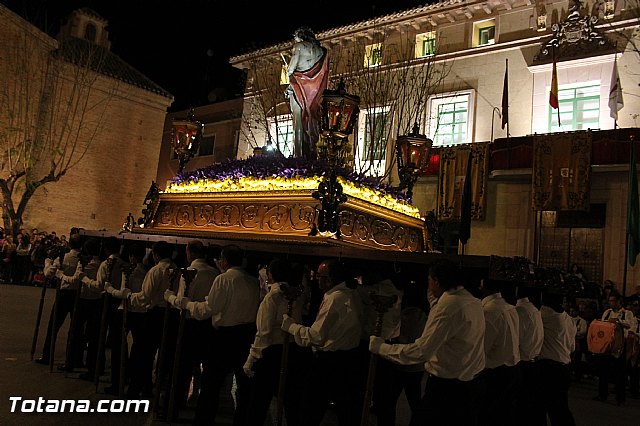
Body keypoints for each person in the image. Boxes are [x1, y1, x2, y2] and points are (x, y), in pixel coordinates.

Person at [369, 259, 485, 426]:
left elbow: (421, 351)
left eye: (429, 280)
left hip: (448, 389)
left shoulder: (448, 307)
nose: (428, 285)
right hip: (470, 383)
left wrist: (381, 347)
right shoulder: (471, 300)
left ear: (436, 281)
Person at [177, 244, 259, 426]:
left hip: (224, 337)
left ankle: (204, 421)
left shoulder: (223, 279)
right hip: (246, 336)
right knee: (244, 387)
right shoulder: (253, 281)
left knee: (211, 384)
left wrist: (187, 304)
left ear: (224, 260)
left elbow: (209, 309)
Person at [281, 258, 363, 426]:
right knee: (346, 412)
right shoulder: (351, 294)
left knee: (311, 410)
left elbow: (317, 336)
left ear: (330, 279)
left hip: (331, 362)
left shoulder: (335, 298)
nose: (316, 279)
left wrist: (292, 327)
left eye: (319, 275)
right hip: (348, 360)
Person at [243, 258, 306, 426]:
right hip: (291, 350)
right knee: (291, 402)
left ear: (271, 274)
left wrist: (251, 358)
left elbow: (264, 332)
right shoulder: (296, 295)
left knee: (259, 402)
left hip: (271, 353)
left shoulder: (273, 297)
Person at [164, 240, 220, 410]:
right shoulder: (214, 273)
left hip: (188, 324)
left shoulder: (188, 272)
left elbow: (182, 301)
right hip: (207, 324)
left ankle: (174, 405)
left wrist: (169, 296)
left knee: (181, 368)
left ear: (189, 253)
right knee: (205, 368)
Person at [478, 279, 520, 426]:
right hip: (511, 368)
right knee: (504, 413)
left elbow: (483, 345)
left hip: (495, 371)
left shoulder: (490, 311)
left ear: (484, 288)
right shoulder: (509, 307)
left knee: (489, 415)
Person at [285, 26, 329, 159]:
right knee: (313, 118)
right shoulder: (322, 51)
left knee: (298, 120)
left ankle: (298, 156)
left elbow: (291, 69)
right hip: (315, 90)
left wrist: (288, 76)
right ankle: (313, 150)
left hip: (299, 85)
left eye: (295, 38)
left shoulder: (299, 46)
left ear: (299, 36)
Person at [538, 290, 577, 425]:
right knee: (560, 408)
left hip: (548, 368)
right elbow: (572, 347)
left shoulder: (544, 315)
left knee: (542, 407)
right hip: (564, 367)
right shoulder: (569, 320)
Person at [592, 293, 635, 405]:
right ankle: (602, 394)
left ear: (618, 301)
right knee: (603, 370)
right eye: (610, 300)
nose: (611, 303)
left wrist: (617, 321)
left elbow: (630, 325)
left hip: (620, 344)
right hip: (607, 344)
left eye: (613, 301)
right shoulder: (607, 312)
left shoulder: (627, 313)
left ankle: (620, 398)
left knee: (620, 372)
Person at [514, 286, 545, 426]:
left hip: (524, 363)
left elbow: (517, 339)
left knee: (522, 407)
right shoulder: (534, 309)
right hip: (534, 362)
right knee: (532, 406)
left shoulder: (520, 311)